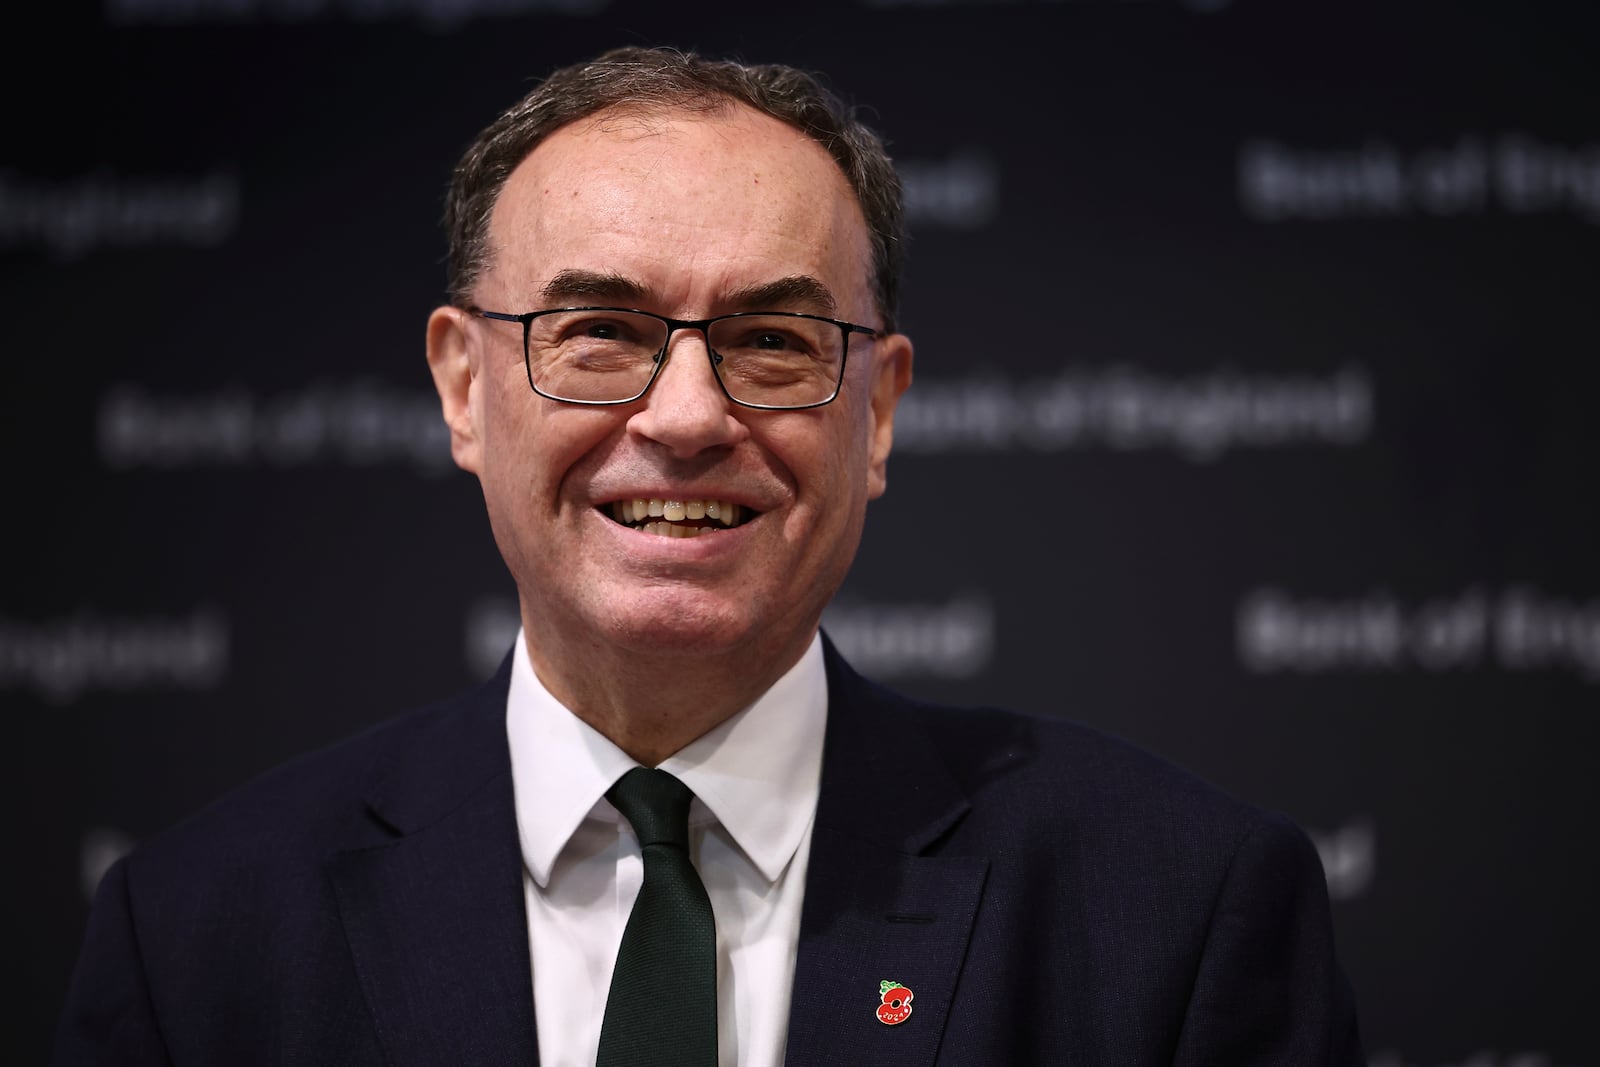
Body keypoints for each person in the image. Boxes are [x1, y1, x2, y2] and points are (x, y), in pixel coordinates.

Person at [53, 45, 1364, 1066]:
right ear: (464, 388)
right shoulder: (197, 936)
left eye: (777, 343)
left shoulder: (1178, 911)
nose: (686, 416)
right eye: (599, 334)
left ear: (881, 411)